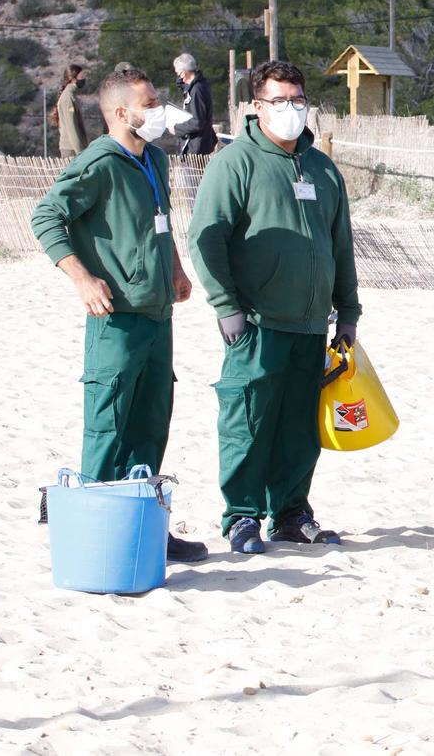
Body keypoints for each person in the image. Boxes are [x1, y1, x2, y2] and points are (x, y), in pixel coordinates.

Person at [29, 67, 208, 563]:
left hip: (157, 315)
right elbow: (45, 216)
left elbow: (161, 221)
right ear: (121, 113)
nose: (157, 110)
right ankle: (92, 539)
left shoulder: (155, 159)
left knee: (151, 423)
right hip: (116, 318)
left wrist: (174, 267)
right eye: (149, 103)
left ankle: (147, 528)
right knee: (108, 426)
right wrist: (82, 279)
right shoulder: (100, 162)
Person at [190, 59, 361, 555]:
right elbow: (207, 238)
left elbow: (341, 245)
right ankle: (241, 516)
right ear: (257, 107)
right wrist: (226, 306)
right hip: (256, 324)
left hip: (311, 325)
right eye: (279, 101)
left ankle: (290, 513)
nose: (291, 110)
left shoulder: (323, 168)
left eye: (298, 100)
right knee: (247, 423)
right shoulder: (235, 162)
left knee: (299, 428)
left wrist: (347, 313)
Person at [171, 53, 218, 156]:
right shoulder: (199, 85)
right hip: (199, 144)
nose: (179, 77)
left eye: (179, 73)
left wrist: (176, 128)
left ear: (184, 73)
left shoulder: (197, 90)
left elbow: (198, 122)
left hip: (197, 147)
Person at [50, 64, 91, 158]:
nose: (84, 78)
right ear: (73, 78)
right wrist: (81, 152)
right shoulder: (68, 97)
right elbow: (71, 127)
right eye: (81, 76)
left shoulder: (71, 95)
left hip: (73, 148)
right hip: (71, 149)